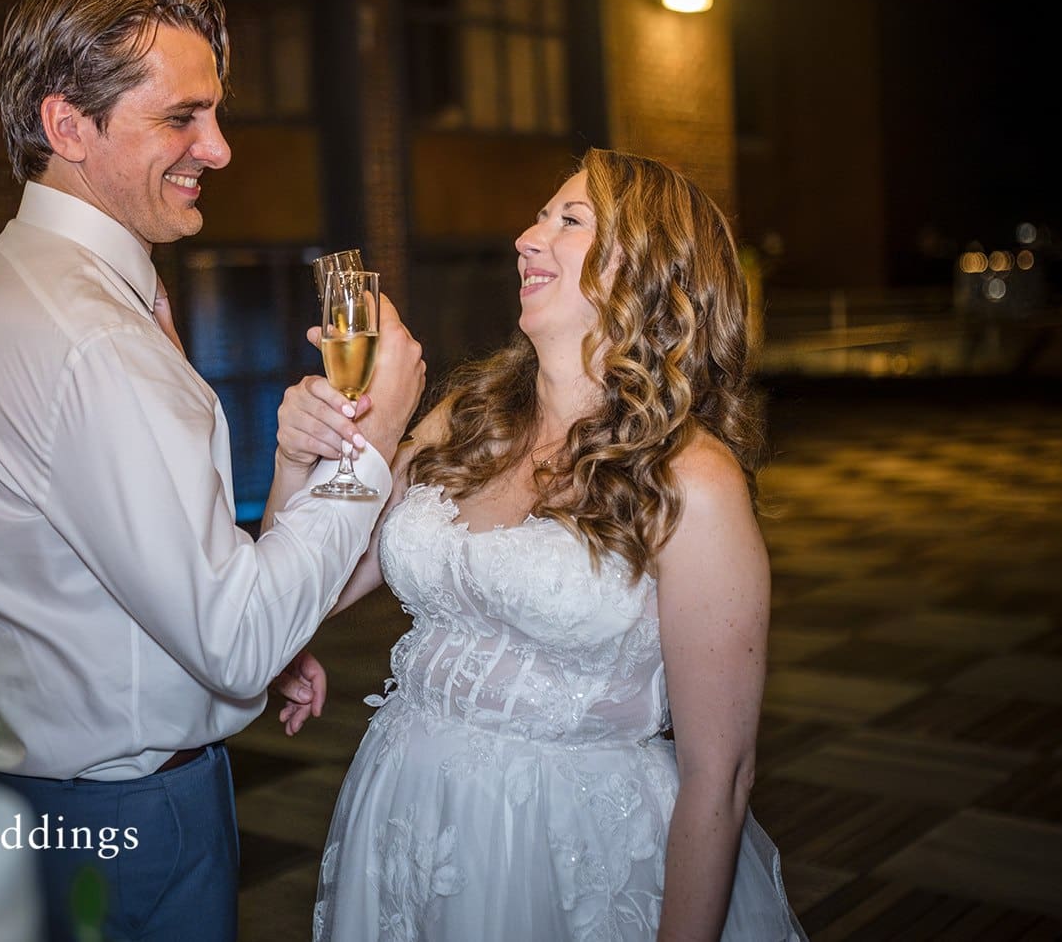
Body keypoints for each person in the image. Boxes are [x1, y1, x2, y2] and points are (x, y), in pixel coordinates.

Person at [0, 0, 424, 942]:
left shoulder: (6, 276)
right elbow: (234, 637)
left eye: (216, 114)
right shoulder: (94, 337)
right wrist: (371, 445)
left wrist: (246, 636)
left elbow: (137, 571)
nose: (219, 148)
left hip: (36, 796)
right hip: (126, 824)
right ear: (68, 125)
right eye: (182, 118)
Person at [273, 149, 807, 940]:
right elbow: (301, 586)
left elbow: (719, 775)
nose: (527, 238)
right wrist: (298, 458)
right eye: (538, 217)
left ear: (650, 268)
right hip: (407, 812)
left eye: (569, 220)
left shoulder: (693, 480)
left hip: (568, 849)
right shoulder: (466, 418)